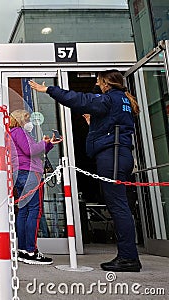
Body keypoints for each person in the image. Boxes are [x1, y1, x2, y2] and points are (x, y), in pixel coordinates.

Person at [29, 69, 142, 272]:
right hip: (120, 154)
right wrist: (93, 123)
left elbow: (79, 99)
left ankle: (128, 257)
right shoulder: (123, 100)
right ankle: (128, 255)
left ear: (107, 83)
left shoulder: (109, 98)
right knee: (120, 205)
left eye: (99, 82)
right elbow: (112, 124)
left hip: (113, 156)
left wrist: (48, 89)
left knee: (118, 206)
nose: (97, 85)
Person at [9, 109, 62, 265]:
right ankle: (31, 251)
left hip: (21, 173)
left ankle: (24, 250)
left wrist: (48, 144)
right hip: (30, 173)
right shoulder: (19, 132)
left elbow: (32, 150)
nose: (29, 122)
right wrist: (43, 143)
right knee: (34, 211)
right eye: (27, 118)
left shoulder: (14, 132)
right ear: (20, 120)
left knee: (24, 211)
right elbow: (31, 151)